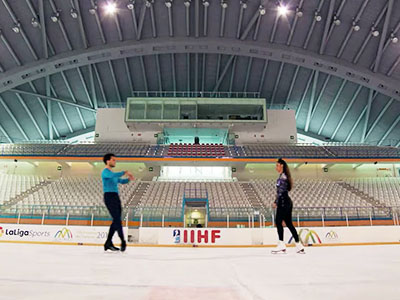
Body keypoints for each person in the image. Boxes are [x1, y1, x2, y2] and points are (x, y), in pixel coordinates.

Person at [102, 153, 134, 252]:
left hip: (116, 197)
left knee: (116, 220)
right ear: (108, 161)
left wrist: (129, 179)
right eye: (113, 160)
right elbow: (113, 175)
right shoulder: (106, 172)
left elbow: (121, 181)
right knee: (117, 219)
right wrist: (124, 172)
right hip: (109, 196)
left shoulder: (112, 174)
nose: (114, 161)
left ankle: (108, 242)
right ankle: (123, 241)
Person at [271, 158, 305, 254]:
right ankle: (299, 245)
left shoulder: (283, 177)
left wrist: (276, 202)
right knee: (289, 224)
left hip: (283, 202)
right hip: (287, 202)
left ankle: (281, 244)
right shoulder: (285, 176)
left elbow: (280, 192)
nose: (276, 167)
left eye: (277, 165)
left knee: (278, 222)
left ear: (281, 165)